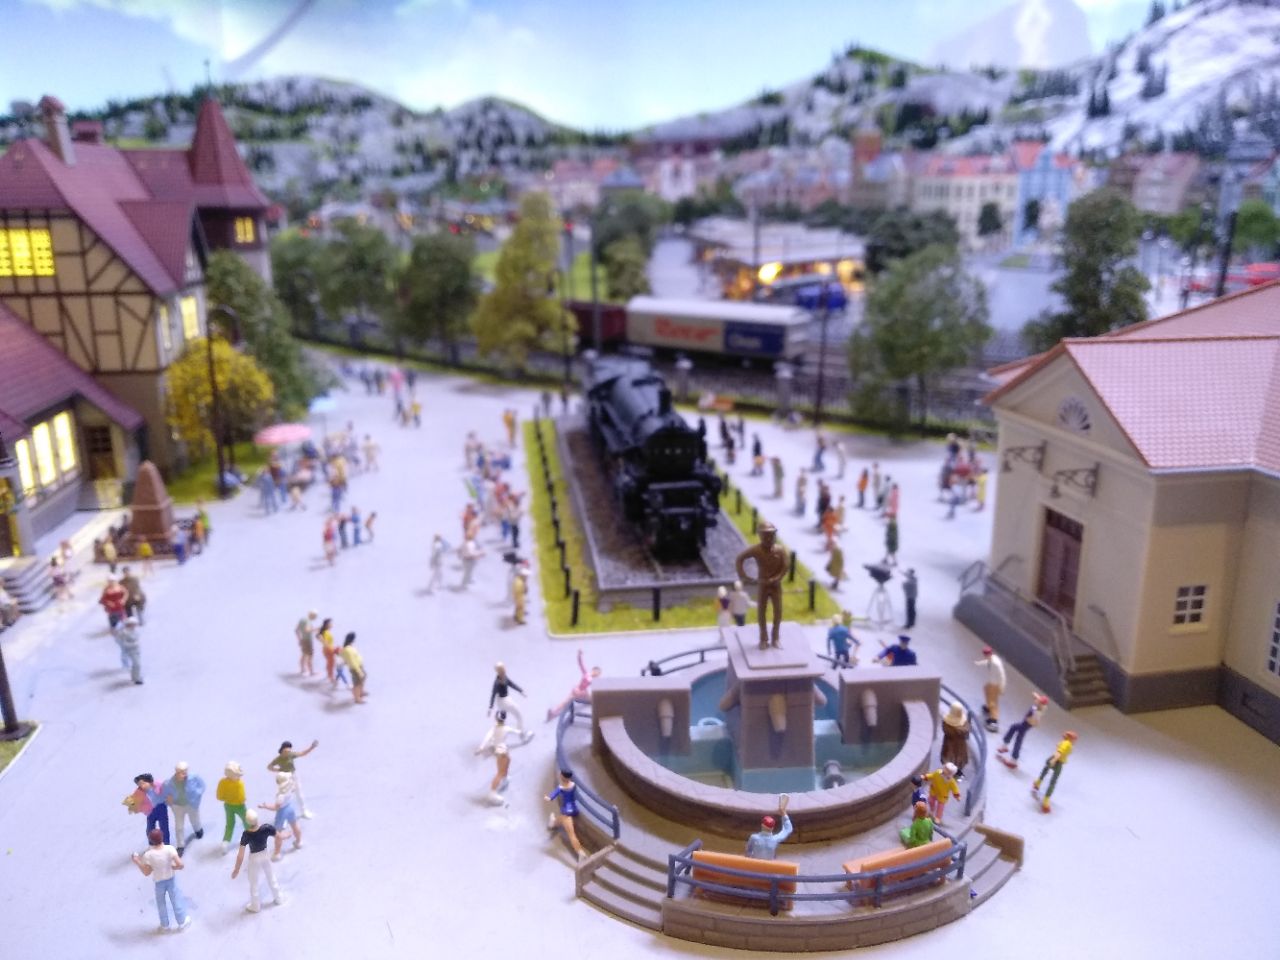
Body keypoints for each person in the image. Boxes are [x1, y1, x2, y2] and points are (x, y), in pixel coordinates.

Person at [734, 522, 788, 649]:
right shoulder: (756, 550)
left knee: (778, 611)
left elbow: (785, 567)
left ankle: (775, 638)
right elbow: (740, 559)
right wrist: (743, 576)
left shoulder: (780, 550)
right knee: (761, 612)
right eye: (765, 536)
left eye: (771, 535)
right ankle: (763, 638)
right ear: (760, 536)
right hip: (763, 585)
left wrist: (776, 578)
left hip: (775, 586)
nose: (769, 539)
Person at [131, 828, 191, 933]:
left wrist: (137, 861)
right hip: (171, 879)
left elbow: (146, 872)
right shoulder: (170, 849)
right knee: (175, 900)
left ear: (150, 840)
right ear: (162, 837)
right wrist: (173, 867)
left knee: (161, 903)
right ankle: (181, 922)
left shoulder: (148, 855)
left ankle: (164, 925)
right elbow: (181, 865)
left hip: (159, 882)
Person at [231, 809, 283, 912]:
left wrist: (236, 869)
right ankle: (278, 898)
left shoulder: (246, 834)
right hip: (265, 855)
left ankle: (255, 905)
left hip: (254, 858)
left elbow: (240, 855)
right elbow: (279, 836)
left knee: (253, 881)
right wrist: (278, 849)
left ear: (247, 822)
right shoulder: (266, 828)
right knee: (271, 876)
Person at [476, 711, 532, 805]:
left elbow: (487, 738)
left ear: (496, 718)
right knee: (500, 773)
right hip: (501, 751)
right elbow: (517, 732)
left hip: (501, 750)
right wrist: (526, 734)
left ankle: (505, 779)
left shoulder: (494, 729)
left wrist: (481, 748)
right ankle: (492, 793)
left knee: (507, 761)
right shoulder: (506, 728)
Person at [160, 762, 205, 855]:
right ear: (176, 772)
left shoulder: (194, 778)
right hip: (178, 806)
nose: (184, 774)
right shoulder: (169, 783)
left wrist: (197, 795)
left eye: (185, 772)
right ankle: (180, 845)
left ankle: (198, 830)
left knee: (195, 819)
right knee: (179, 826)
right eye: (181, 772)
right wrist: (169, 800)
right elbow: (164, 794)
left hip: (191, 804)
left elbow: (202, 786)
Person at [268, 739, 318, 819]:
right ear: (283, 749)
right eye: (287, 748)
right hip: (285, 778)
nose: (289, 750)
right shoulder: (278, 759)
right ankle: (281, 815)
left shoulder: (291, 755)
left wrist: (311, 747)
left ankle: (304, 812)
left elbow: (302, 753)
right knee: (284, 797)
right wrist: (278, 770)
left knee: (299, 793)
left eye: (289, 748)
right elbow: (269, 767)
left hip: (294, 775)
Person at [997, 693, 1050, 770]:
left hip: (1025, 725)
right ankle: (1006, 746)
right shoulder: (1037, 706)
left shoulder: (1037, 712)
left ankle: (1013, 759)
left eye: (1039, 701)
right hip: (1024, 723)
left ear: (1041, 705)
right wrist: (1037, 697)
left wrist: (1029, 720)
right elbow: (1037, 698)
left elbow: (1036, 722)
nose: (1036, 701)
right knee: (1015, 731)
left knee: (1017, 737)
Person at [545, 650, 601, 722]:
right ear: (593, 670)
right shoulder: (590, 677)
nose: (597, 675)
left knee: (566, 701)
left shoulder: (587, 674)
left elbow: (581, 664)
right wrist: (579, 656)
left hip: (578, 690)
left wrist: (579, 655)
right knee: (569, 701)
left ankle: (553, 712)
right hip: (580, 692)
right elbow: (581, 665)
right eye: (597, 673)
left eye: (598, 674)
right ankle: (553, 712)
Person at [259, 773, 303, 861]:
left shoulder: (281, 796)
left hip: (282, 812)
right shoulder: (290, 788)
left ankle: (277, 853)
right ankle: (299, 842)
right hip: (290, 808)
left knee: (277, 833)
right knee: (295, 825)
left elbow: (275, 807)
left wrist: (265, 806)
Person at [1032, 731, 1078, 814]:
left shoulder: (1065, 742)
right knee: (1053, 781)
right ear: (1070, 738)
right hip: (1057, 762)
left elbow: (1059, 749)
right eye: (1074, 739)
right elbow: (1059, 752)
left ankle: (1037, 783)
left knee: (1045, 771)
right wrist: (1054, 760)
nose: (1075, 741)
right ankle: (1046, 800)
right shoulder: (1067, 743)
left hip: (1055, 760)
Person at [545, 769, 587, 861]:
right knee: (561, 819)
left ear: (562, 777)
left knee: (571, 834)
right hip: (574, 809)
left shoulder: (561, 787)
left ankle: (580, 852)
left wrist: (548, 798)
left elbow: (552, 795)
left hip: (567, 811)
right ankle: (553, 823)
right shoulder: (573, 785)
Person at [745, 795, 792, 859]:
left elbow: (748, 852)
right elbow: (788, 829)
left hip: (755, 864)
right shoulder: (775, 839)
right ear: (772, 828)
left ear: (762, 825)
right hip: (769, 864)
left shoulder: (754, 838)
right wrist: (784, 813)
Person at [126, 773, 169, 844]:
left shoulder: (157, 784)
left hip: (161, 808)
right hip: (150, 811)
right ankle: (152, 845)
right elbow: (132, 802)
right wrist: (132, 805)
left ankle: (166, 844)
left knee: (164, 827)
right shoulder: (139, 791)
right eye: (139, 785)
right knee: (149, 830)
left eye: (143, 783)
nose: (142, 786)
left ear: (149, 781)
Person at [216, 761, 248, 854]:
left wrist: (227, 798)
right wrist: (242, 800)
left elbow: (219, 796)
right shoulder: (239, 783)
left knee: (230, 824)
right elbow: (242, 797)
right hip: (239, 806)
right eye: (238, 775)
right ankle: (252, 836)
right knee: (246, 820)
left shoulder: (222, 782)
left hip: (228, 805)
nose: (239, 777)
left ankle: (225, 842)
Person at [975, 646, 1007, 733]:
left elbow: (1002, 676)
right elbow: (987, 662)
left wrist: (1002, 688)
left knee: (993, 702)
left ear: (989, 654)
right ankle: (988, 707)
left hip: (995, 685)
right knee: (985, 689)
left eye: (986, 655)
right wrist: (979, 663)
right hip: (991, 682)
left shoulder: (996, 664)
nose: (985, 656)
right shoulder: (991, 659)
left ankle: (994, 721)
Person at [489, 662, 528, 733]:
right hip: (503, 701)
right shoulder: (497, 683)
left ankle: (501, 731)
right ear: (499, 671)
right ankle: (519, 732)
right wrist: (490, 707)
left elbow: (512, 684)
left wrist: (521, 691)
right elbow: (493, 694)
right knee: (518, 714)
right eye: (503, 669)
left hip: (504, 700)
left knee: (504, 716)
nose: (505, 670)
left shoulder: (505, 677)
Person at [940, 703, 971, 779]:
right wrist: (958, 730)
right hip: (949, 744)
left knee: (959, 758)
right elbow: (948, 731)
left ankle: (957, 771)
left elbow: (966, 729)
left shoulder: (963, 722)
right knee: (949, 758)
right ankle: (948, 772)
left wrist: (957, 730)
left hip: (960, 745)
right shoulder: (946, 723)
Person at [340, 632, 367, 704]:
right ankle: (357, 698)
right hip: (356, 668)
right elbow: (352, 662)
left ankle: (361, 692)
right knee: (357, 683)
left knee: (362, 679)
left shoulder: (349, 648)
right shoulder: (348, 649)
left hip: (358, 666)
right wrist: (359, 671)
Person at [116, 615, 144, 684]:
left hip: (136, 649)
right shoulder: (124, 632)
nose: (135, 625)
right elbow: (123, 643)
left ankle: (135, 676)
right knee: (137, 664)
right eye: (134, 624)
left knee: (136, 664)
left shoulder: (134, 631)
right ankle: (137, 679)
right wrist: (134, 644)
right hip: (130, 651)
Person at [296, 611, 317, 677]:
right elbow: (307, 630)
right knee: (310, 656)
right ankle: (311, 672)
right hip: (308, 641)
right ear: (312, 615)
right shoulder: (308, 621)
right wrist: (316, 629)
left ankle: (302, 669)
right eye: (315, 616)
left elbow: (296, 630)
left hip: (303, 640)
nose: (315, 618)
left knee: (304, 654)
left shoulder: (302, 620)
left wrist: (299, 640)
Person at [318, 618, 337, 684]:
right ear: (327, 625)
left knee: (329, 663)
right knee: (331, 664)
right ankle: (331, 678)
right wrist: (332, 649)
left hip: (326, 649)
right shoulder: (326, 632)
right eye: (330, 623)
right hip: (328, 650)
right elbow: (325, 642)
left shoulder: (326, 632)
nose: (332, 625)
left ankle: (329, 675)